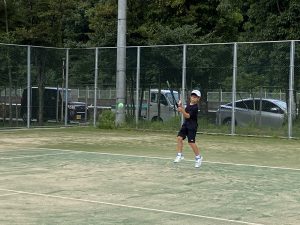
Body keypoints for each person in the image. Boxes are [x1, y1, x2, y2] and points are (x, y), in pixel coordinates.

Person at [174, 90, 203, 168]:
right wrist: (180, 107)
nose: (193, 98)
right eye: (192, 96)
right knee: (179, 138)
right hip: (186, 125)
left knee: (191, 143)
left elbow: (187, 116)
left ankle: (198, 157)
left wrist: (182, 110)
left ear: (198, 99)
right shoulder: (188, 105)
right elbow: (184, 111)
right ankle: (179, 155)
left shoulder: (195, 107)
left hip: (192, 126)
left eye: (195, 97)